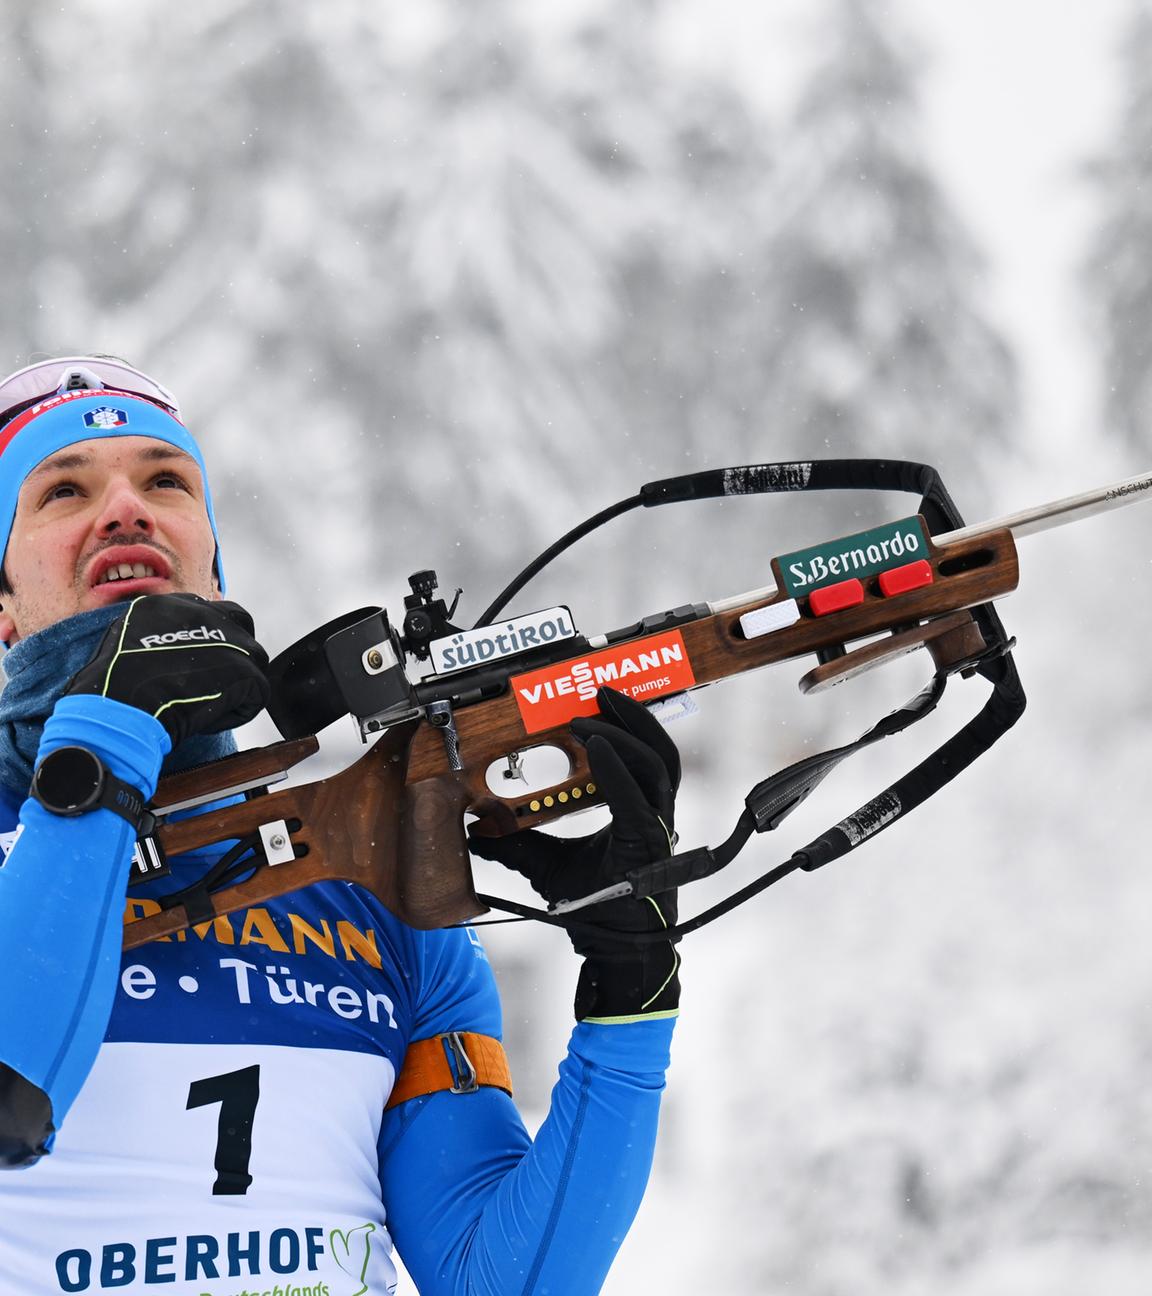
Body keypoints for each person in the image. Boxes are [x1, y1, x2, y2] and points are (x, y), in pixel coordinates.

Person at [0, 357, 682, 1296]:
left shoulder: (364, 876)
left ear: (212, 565)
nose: (125, 509)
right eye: (62, 491)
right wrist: (107, 728)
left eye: (166, 480)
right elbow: (10, 1097)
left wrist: (630, 996)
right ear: (2, 610)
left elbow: (501, 1282)